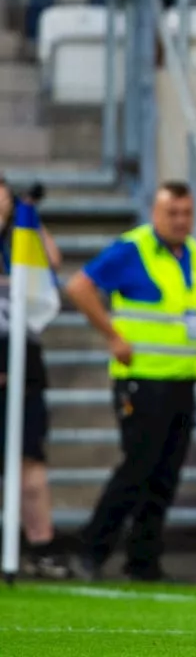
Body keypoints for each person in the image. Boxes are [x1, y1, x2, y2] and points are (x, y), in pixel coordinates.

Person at [63, 182, 196, 581]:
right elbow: (79, 286)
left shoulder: (195, 253)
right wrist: (113, 335)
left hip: (182, 380)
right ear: (155, 212)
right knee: (137, 469)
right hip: (143, 380)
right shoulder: (132, 249)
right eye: (173, 213)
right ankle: (91, 551)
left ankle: (144, 559)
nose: (181, 221)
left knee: (165, 474)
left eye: (186, 213)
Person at [0, 178, 68, 579]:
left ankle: (41, 545)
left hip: (24, 359)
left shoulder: (21, 243)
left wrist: (30, 215)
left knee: (31, 459)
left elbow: (53, 262)